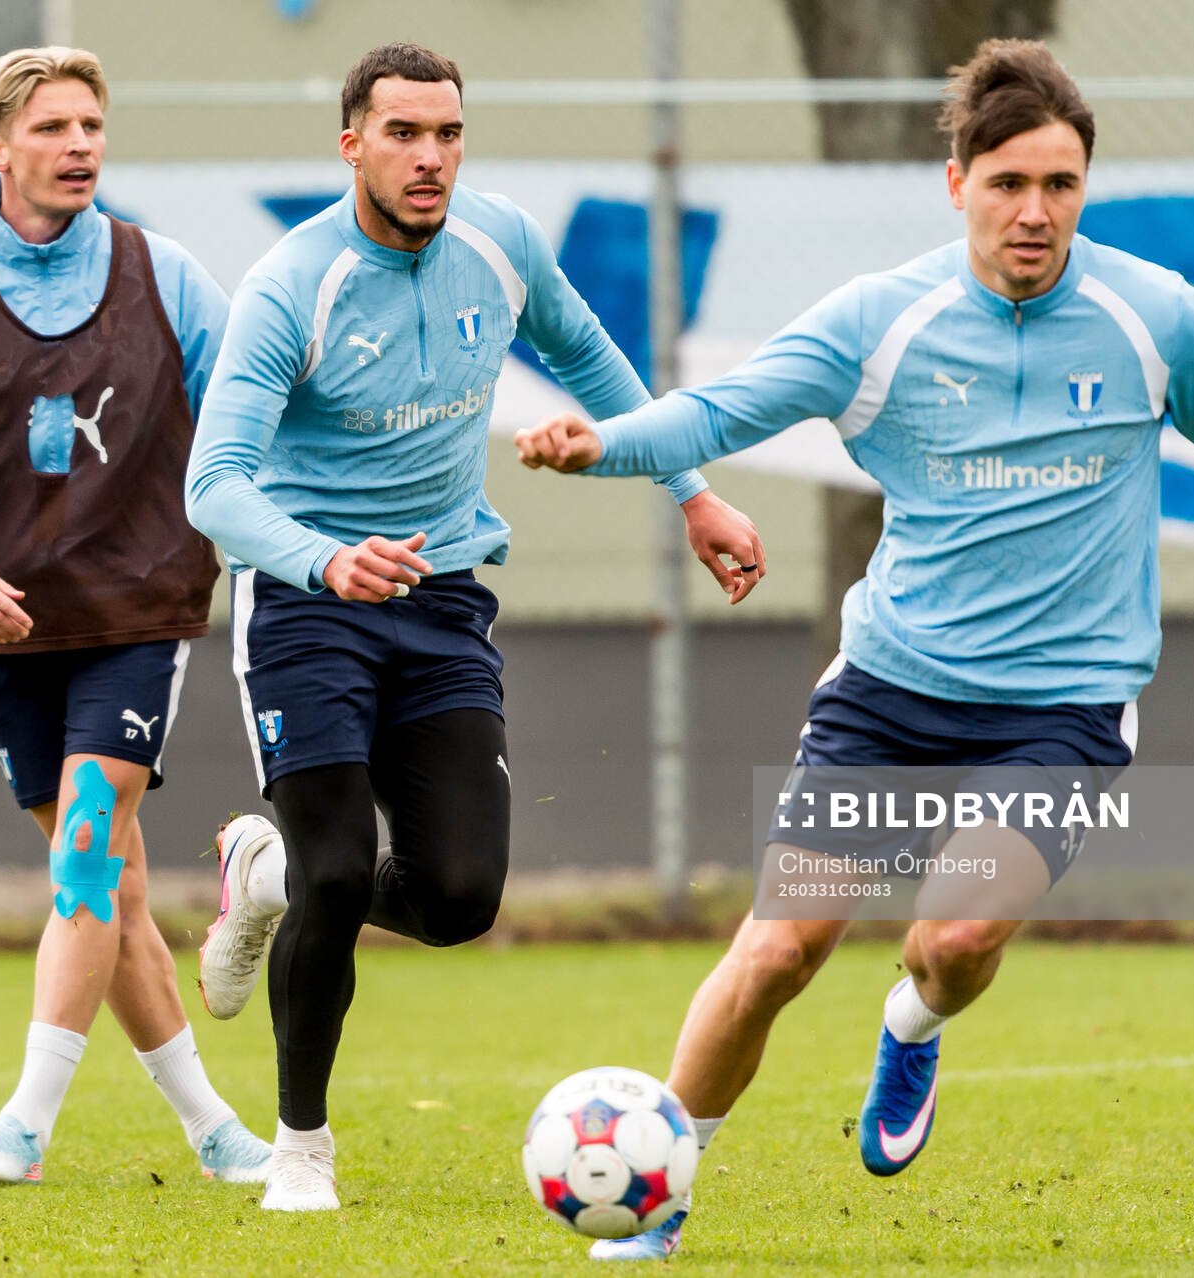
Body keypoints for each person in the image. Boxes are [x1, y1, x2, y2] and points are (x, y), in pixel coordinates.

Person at [514, 38, 1194, 1260]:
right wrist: (604, 445)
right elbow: (722, 407)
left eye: (1061, 186)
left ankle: (913, 1028)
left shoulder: (1152, 319)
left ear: (1086, 188)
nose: (1035, 212)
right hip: (889, 697)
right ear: (957, 183)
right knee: (775, 951)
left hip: (1062, 712)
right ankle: (656, 1203)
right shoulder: (883, 321)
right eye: (1008, 184)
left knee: (955, 938)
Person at [186, 41, 767, 1212]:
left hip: (444, 599)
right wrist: (324, 558)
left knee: (459, 899)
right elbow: (215, 486)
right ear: (351, 144)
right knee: (342, 869)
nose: (430, 158)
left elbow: (596, 364)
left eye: (448, 134)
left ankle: (262, 874)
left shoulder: (500, 247)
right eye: (403, 134)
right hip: (308, 605)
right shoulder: (291, 287)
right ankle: (301, 1149)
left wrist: (694, 492)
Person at [0, 45, 271, 1186]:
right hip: (9, 632)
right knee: (110, 886)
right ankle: (216, 1134)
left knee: (82, 853)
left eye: (91, 126)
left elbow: (258, 408)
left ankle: (23, 1128)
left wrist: (285, 534)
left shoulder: (165, 275)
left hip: (140, 609)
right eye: (52, 128)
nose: (79, 146)